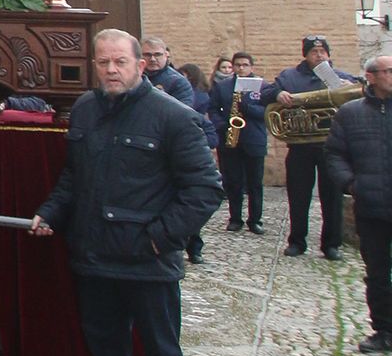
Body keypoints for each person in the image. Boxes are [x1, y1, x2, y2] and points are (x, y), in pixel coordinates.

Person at [30, 29, 222, 356]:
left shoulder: (175, 117)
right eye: (103, 63)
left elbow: (205, 190)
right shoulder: (87, 111)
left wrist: (159, 239)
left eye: (119, 62)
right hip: (95, 258)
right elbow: (74, 177)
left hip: (148, 265)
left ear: (141, 65)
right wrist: (51, 213)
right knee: (108, 354)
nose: (111, 70)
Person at [326, 53, 392, 352]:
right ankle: (383, 330)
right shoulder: (350, 113)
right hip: (371, 206)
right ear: (372, 76)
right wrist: (352, 184)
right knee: (377, 272)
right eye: (388, 71)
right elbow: (335, 154)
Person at [272, 36, 350, 259]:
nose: (319, 55)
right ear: (305, 54)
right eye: (314, 51)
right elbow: (267, 92)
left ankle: (331, 245)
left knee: (332, 197)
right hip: (300, 147)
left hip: (330, 146)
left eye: (322, 51)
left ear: (329, 54)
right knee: (298, 196)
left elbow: (362, 93)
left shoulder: (340, 77)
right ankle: (297, 241)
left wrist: (350, 86)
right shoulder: (290, 76)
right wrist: (278, 93)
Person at [140, 40, 208, 261]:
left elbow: (184, 113)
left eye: (157, 54)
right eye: (147, 54)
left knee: (181, 197)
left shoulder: (177, 82)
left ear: (167, 55)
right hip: (143, 147)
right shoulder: (136, 78)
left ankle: (193, 246)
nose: (152, 59)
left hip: (170, 146)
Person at [209, 51, 268, 234]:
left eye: (245, 65)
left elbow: (267, 112)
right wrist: (223, 124)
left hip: (254, 138)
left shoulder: (263, 86)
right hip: (230, 138)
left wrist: (247, 107)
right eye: (238, 65)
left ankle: (255, 220)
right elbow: (213, 109)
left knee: (255, 183)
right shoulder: (223, 86)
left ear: (252, 67)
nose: (241, 68)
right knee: (233, 181)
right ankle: (235, 218)